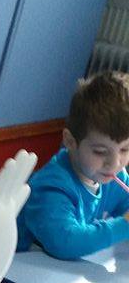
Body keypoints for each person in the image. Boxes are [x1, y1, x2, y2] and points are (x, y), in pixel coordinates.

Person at [16, 71, 129, 258]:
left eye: (125, 149)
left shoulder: (114, 177)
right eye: (100, 152)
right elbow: (65, 243)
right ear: (70, 141)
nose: (115, 163)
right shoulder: (51, 187)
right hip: (14, 266)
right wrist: (125, 225)